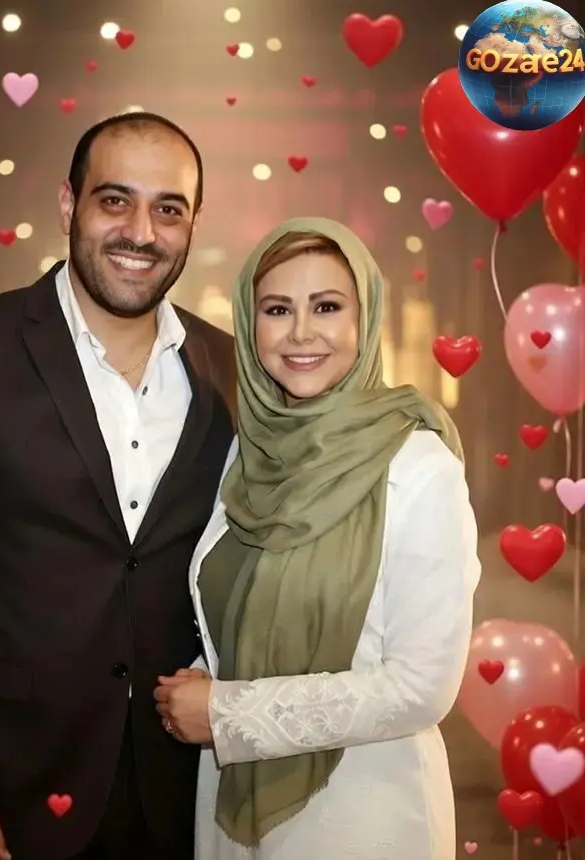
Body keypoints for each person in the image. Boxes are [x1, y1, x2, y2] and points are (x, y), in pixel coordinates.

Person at [0, 112, 236, 860]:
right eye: (115, 200)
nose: (141, 232)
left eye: (168, 209)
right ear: (69, 205)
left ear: (194, 224)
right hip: (10, 792)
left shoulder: (228, 368)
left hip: (188, 791)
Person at [154, 217, 481, 859]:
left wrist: (228, 713)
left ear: (365, 318)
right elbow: (249, 610)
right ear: (250, 325)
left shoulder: (417, 466)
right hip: (230, 806)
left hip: (363, 814)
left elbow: (421, 687)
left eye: (327, 306)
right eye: (277, 309)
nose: (301, 332)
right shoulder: (246, 456)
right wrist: (204, 676)